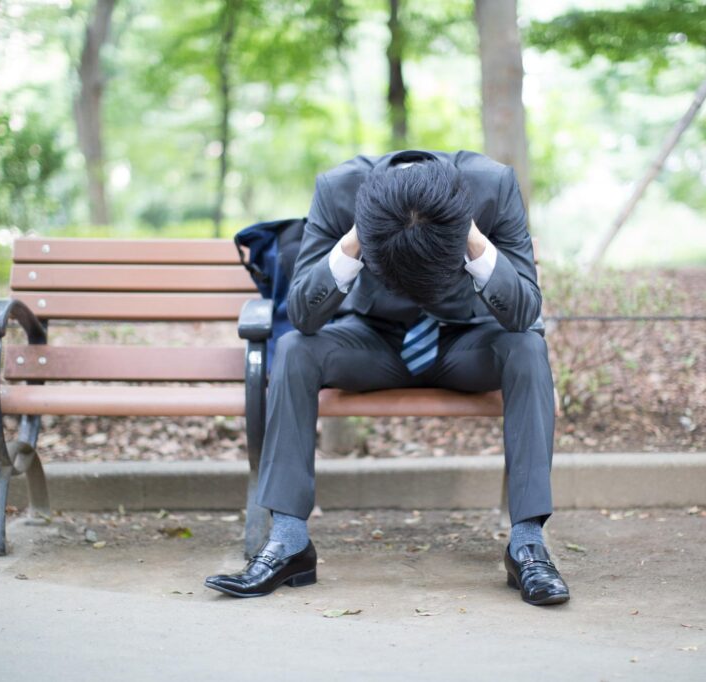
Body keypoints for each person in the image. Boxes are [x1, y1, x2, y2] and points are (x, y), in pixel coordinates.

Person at [204, 149, 568, 606]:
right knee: (296, 350)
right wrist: (358, 236)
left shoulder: (492, 186)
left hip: (464, 343)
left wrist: (471, 237)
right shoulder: (339, 190)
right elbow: (301, 314)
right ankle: (290, 540)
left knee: (529, 348)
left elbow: (522, 313)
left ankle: (527, 544)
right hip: (373, 343)